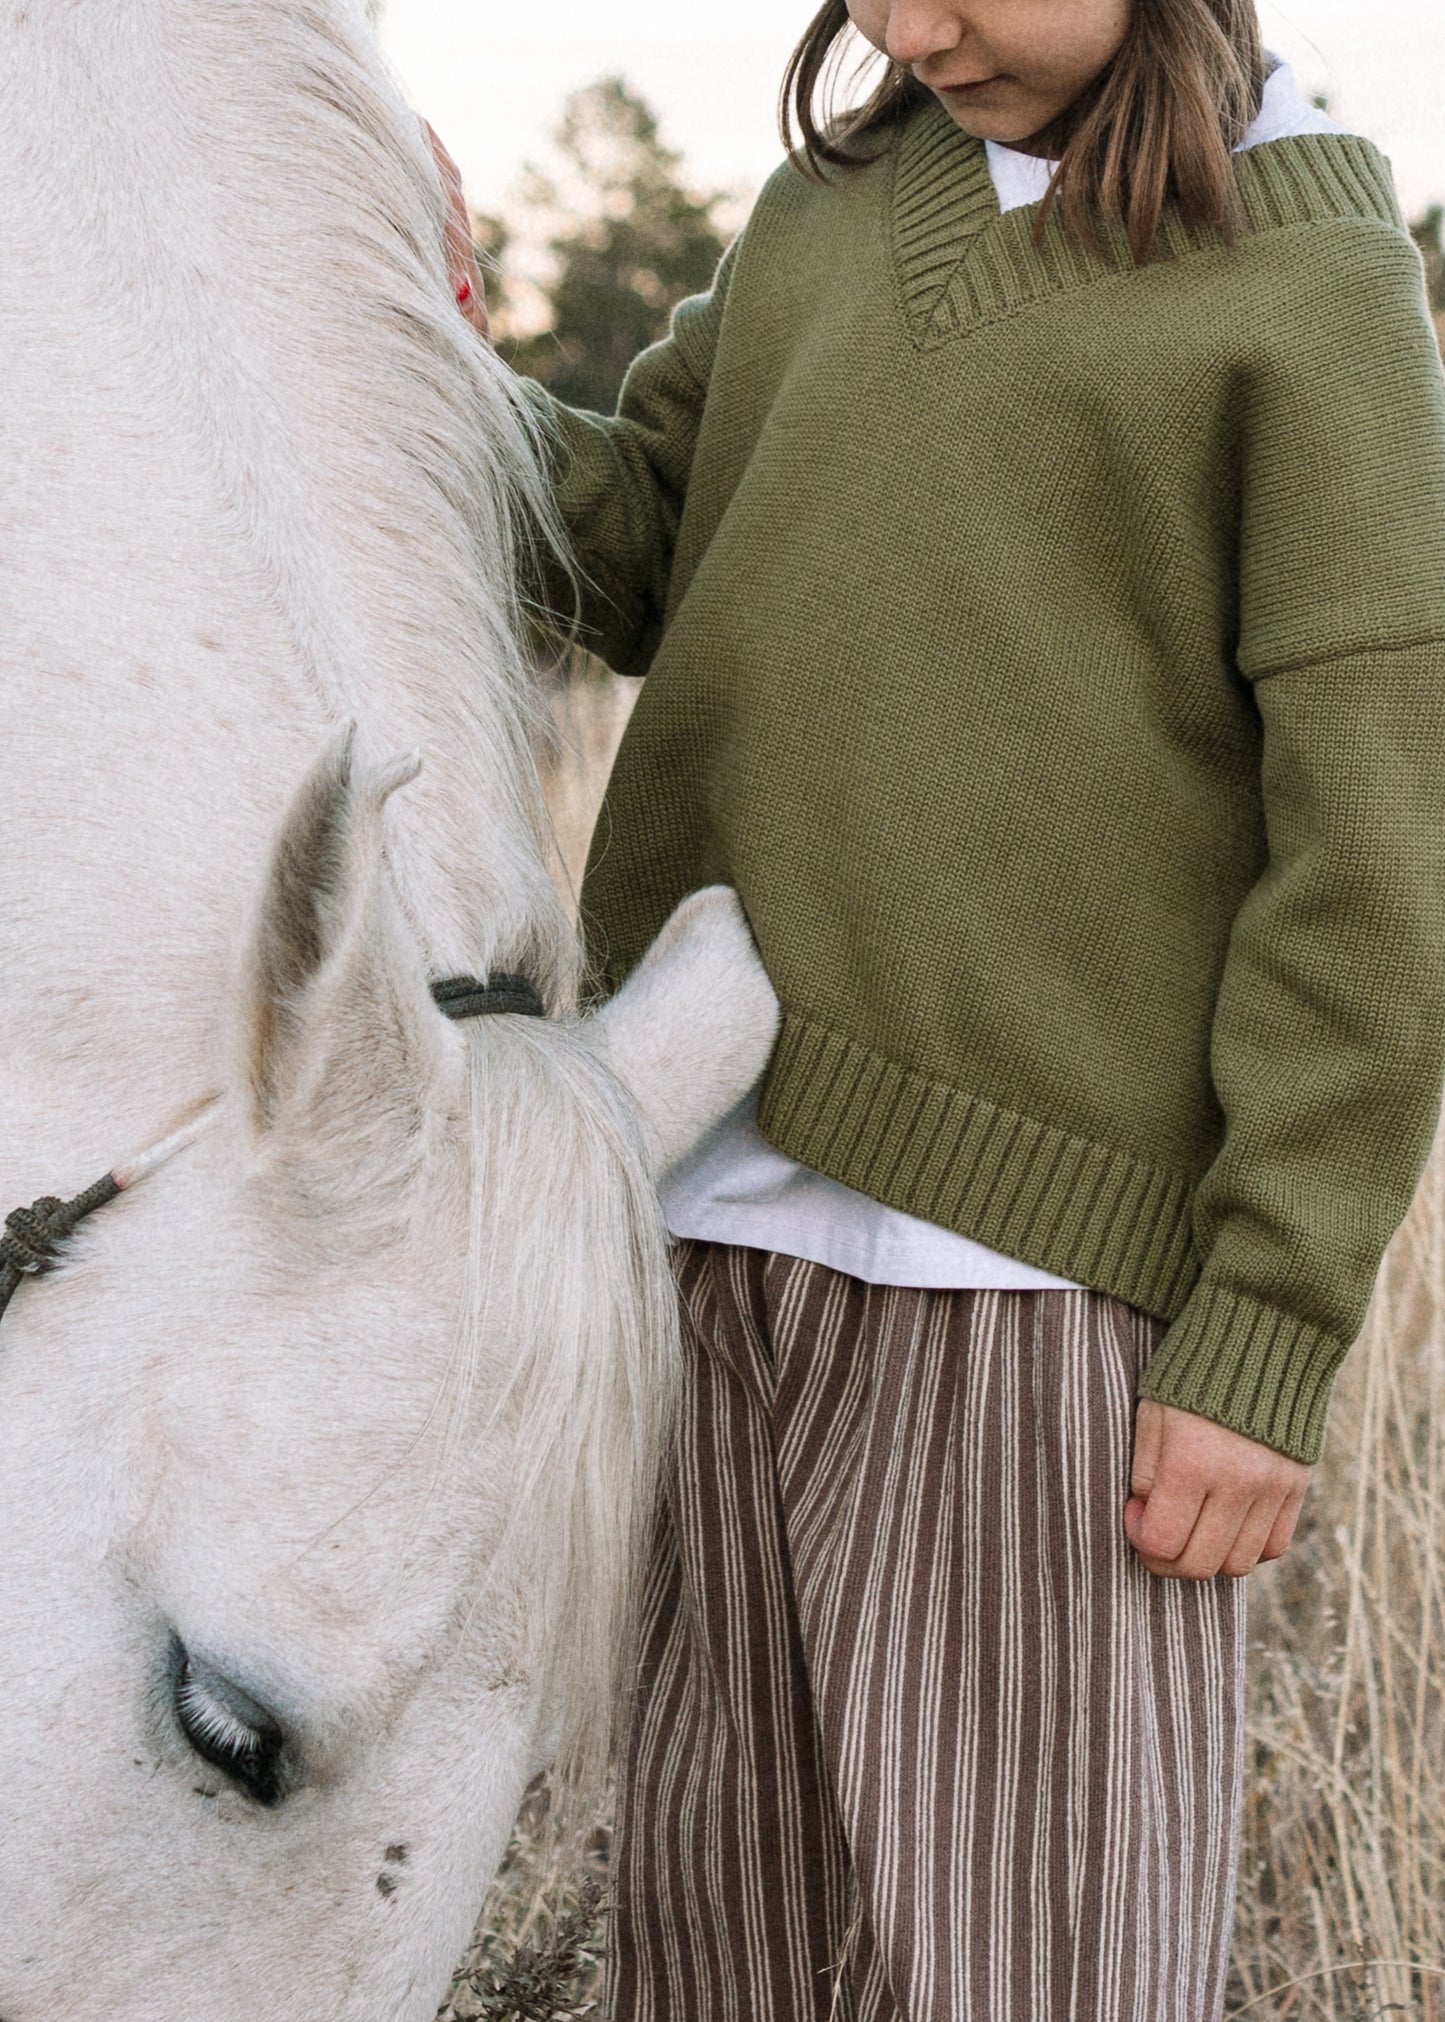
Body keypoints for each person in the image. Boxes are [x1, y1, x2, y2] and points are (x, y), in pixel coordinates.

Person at [430, 1, 1445, 2013]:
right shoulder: (828, 208)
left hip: (1034, 1300)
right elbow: (628, 545)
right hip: (709, 1215)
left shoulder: (1307, 276)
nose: (909, 25)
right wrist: (414, 344)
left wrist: (1265, 1327)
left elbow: (1378, 855)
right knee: (724, 1948)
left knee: (1030, 1958)